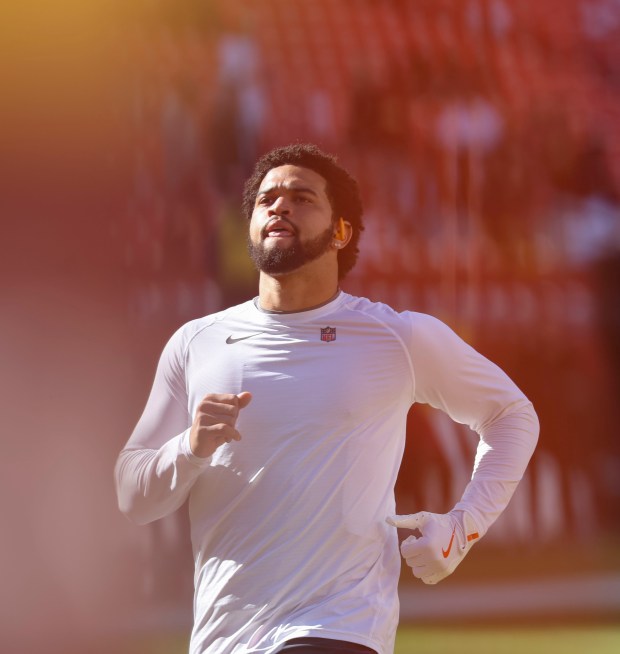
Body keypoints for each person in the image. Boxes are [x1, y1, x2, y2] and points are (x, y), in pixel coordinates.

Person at [115, 143, 539, 654]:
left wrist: (463, 527)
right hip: (222, 636)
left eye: (301, 197)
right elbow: (133, 496)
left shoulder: (399, 337)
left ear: (341, 232)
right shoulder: (196, 342)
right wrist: (190, 447)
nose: (278, 206)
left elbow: (511, 414)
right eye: (266, 199)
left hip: (339, 625)